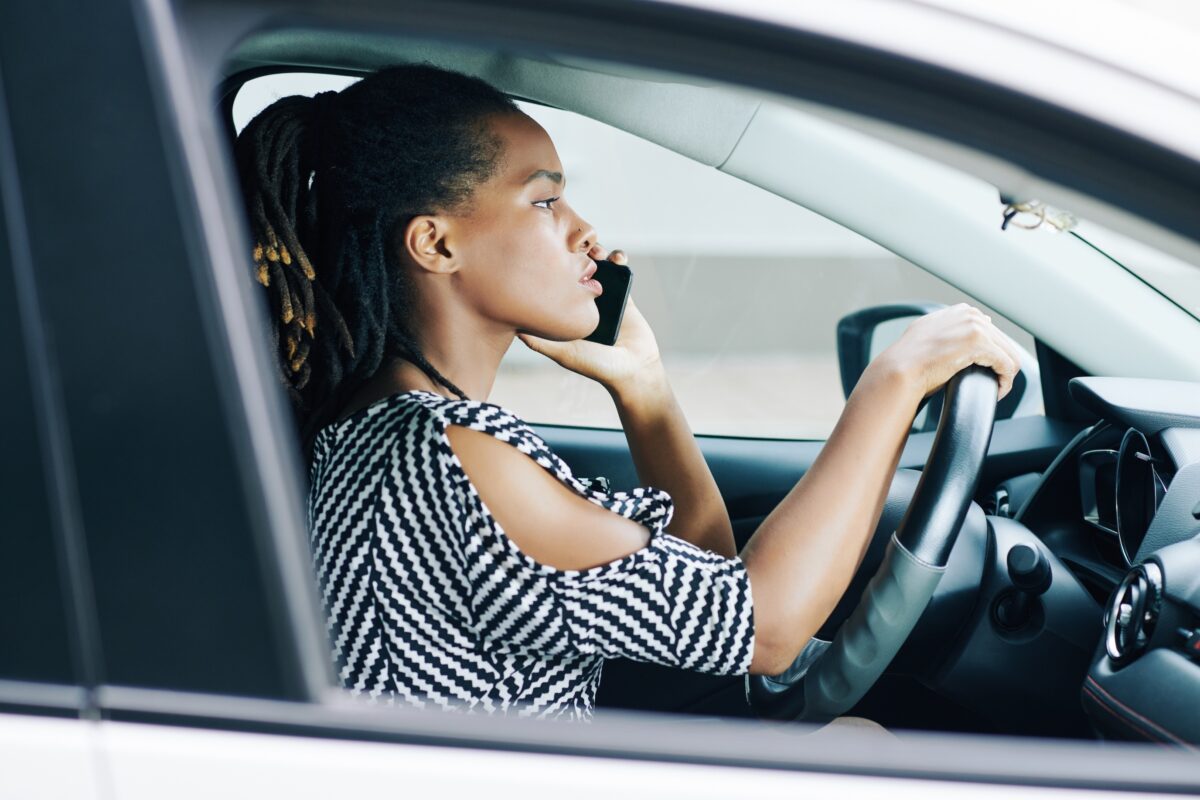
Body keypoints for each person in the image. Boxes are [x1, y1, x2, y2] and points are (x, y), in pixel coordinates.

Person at [234, 64, 1021, 720]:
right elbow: (767, 629)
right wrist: (895, 379)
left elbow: (704, 595)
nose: (584, 232)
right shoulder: (450, 460)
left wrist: (643, 390)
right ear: (436, 243)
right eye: (544, 202)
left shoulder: (385, 427)